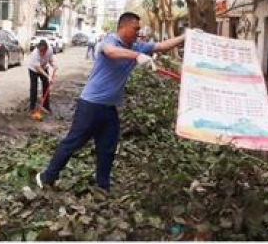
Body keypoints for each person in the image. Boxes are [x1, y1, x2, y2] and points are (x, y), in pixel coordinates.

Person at [36, 12, 186, 191]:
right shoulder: (111, 40)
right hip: (90, 105)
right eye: (135, 29)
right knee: (73, 142)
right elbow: (110, 52)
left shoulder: (137, 46)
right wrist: (136, 56)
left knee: (108, 147)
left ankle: (103, 186)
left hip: (109, 109)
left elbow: (161, 46)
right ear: (123, 27)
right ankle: (47, 177)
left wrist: (186, 36)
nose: (138, 32)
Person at [28, 39, 56, 113]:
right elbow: (38, 68)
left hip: (44, 67)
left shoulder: (50, 50)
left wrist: (54, 65)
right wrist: (48, 76)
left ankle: (46, 106)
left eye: (43, 51)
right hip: (33, 70)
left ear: (46, 49)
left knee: (46, 87)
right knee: (34, 88)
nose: (41, 53)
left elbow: (50, 60)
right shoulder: (35, 53)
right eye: (40, 51)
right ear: (38, 49)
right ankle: (32, 107)